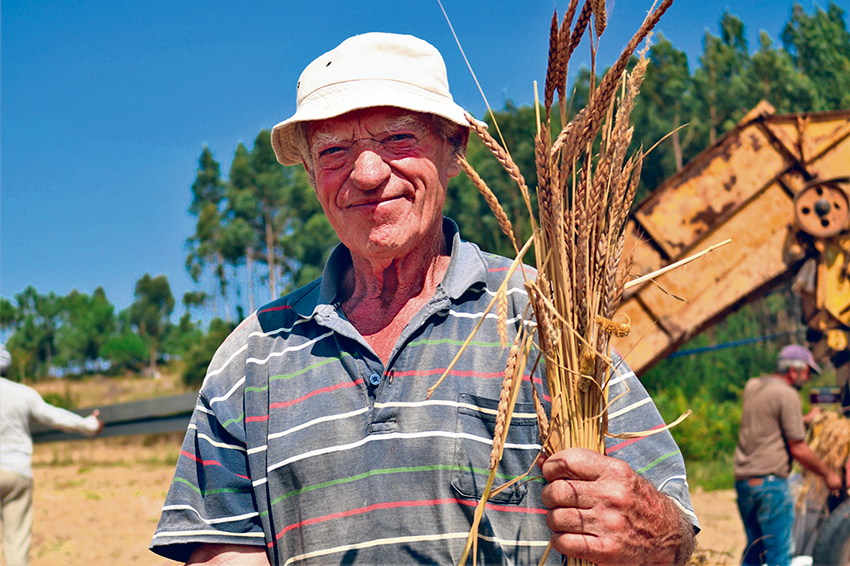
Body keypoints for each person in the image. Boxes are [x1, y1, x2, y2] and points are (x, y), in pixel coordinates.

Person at [150, 32, 699, 566]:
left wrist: (650, 532)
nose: (367, 174)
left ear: (455, 148)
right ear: (312, 173)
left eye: (397, 139)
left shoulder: (545, 315)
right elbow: (223, 550)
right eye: (334, 150)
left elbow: (670, 530)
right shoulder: (252, 357)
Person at [734, 344, 843, 566]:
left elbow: (770, 420)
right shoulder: (788, 394)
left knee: (755, 553)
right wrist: (828, 475)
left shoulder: (753, 386)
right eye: (807, 372)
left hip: (745, 484)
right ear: (793, 371)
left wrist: (804, 419)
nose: (808, 378)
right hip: (771, 486)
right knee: (779, 556)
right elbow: (798, 448)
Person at [0, 344, 104, 566]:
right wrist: (89, 425)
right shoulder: (23, 393)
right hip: (17, 472)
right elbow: (54, 416)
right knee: (16, 543)